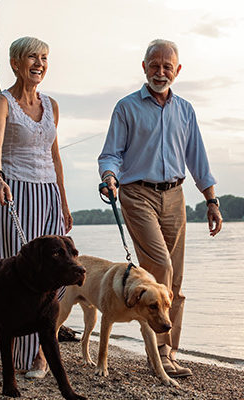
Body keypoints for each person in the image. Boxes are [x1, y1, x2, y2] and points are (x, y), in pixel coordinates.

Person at [98, 39, 222, 378]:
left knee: (175, 283)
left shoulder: (185, 110)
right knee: (161, 268)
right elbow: (111, 153)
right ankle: (160, 356)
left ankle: (169, 350)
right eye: (155, 65)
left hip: (175, 196)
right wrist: (109, 177)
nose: (161, 71)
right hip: (137, 194)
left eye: (168, 66)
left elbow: (198, 158)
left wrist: (211, 200)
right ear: (144, 67)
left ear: (177, 71)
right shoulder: (126, 107)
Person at [0, 36, 72, 379]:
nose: (40, 63)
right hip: (14, 191)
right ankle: (19, 354)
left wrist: (64, 199)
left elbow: (54, 155)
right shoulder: (2, 102)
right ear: (16, 63)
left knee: (59, 274)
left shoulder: (52, 105)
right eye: (33, 57)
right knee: (15, 275)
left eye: (45, 57)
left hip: (49, 194)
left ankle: (39, 349)